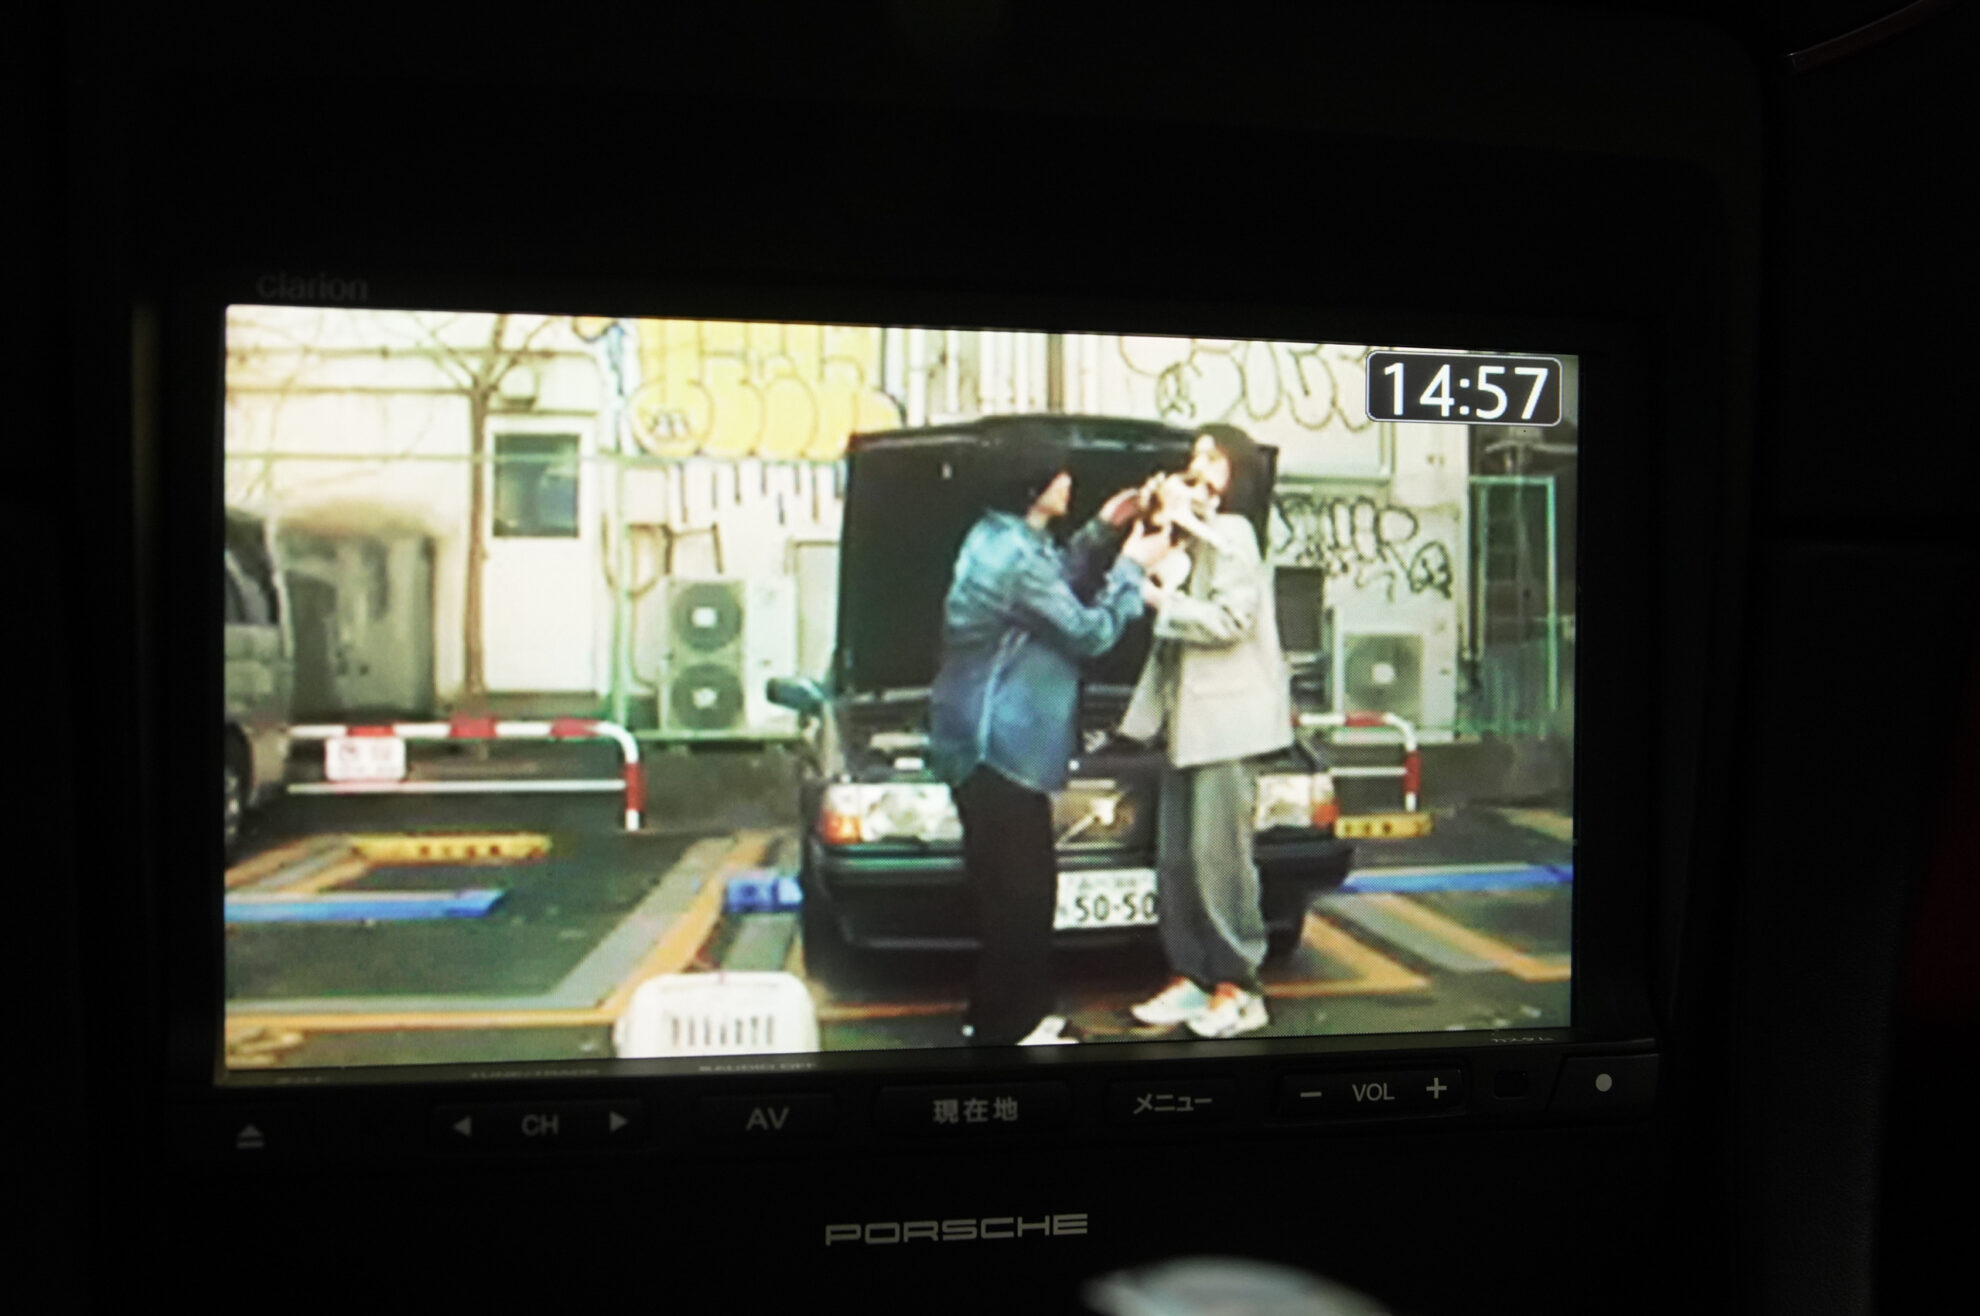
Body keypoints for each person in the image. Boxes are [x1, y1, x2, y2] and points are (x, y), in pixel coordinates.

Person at [928, 430, 1171, 1046]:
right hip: (1000, 744)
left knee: (1003, 893)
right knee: (1024, 896)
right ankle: (1014, 1026)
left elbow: (1055, 582)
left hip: (976, 740)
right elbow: (1089, 632)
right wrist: (1131, 568)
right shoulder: (1014, 557)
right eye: (1059, 474)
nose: (1069, 481)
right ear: (1033, 485)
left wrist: (1103, 528)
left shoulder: (1002, 538)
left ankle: (998, 1015)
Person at [1121, 423, 1292, 1039]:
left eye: (1213, 458)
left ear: (1236, 473)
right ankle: (1191, 976)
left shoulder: (1234, 533)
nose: (1198, 466)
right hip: (1185, 723)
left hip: (1227, 724)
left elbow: (1230, 620)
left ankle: (1239, 986)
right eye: (1195, 455)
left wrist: (1161, 603)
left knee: (1220, 861)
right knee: (1177, 859)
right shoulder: (1195, 532)